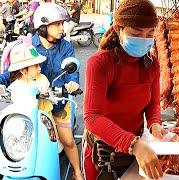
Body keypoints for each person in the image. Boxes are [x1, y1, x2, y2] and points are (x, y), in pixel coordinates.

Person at [83, 0, 166, 179]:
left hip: (135, 149)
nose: (144, 40)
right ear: (119, 29)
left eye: (150, 33)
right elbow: (92, 117)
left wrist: (155, 124)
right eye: (136, 33)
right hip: (102, 151)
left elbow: (152, 104)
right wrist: (134, 144)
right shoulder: (100, 63)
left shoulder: (152, 63)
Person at [0, 3, 83, 180]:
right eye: (58, 24)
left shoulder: (66, 46)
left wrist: (72, 84)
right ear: (43, 26)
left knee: (68, 141)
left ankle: (77, 172)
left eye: (62, 24)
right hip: (32, 107)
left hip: (58, 103)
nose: (62, 28)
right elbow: (13, 71)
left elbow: (72, 70)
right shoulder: (29, 45)